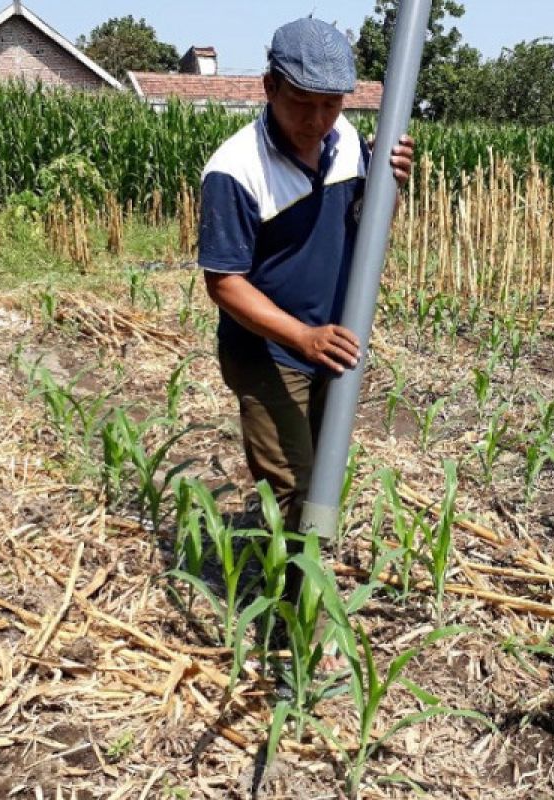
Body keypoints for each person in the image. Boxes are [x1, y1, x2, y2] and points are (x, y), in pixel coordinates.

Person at [197, 17, 413, 576]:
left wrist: (392, 186)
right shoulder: (235, 169)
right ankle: (302, 614)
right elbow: (223, 282)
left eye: (331, 104)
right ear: (269, 87)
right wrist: (302, 337)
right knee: (292, 485)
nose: (316, 121)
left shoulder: (349, 149)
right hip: (269, 352)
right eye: (301, 103)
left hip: (329, 343)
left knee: (323, 470)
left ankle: (302, 575)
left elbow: (365, 227)